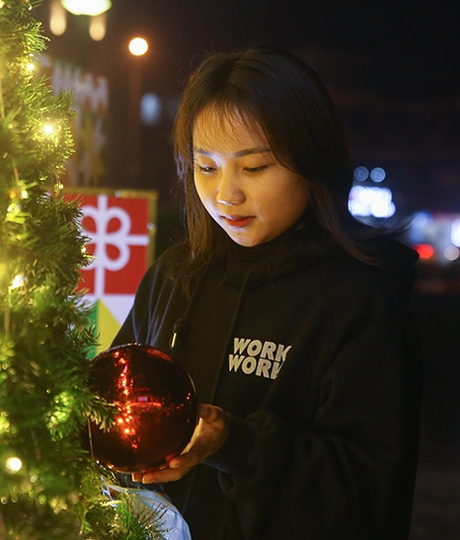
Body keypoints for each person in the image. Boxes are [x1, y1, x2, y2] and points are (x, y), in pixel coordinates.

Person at [111, 44, 422, 539]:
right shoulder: (175, 275)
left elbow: (368, 490)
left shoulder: (359, 299)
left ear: (311, 160)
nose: (226, 195)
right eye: (206, 166)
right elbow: (115, 401)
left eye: (253, 168)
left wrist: (233, 443)